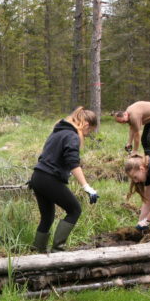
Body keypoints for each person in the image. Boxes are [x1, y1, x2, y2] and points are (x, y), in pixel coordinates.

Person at [29, 107, 99, 253]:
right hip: (49, 179)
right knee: (74, 210)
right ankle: (57, 250)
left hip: (38, 177)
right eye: (89, 132)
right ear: (86, 125)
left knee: (47, 217)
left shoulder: (58, 132)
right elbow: (73, 163)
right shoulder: (72, 136)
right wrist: (87, 187)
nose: (87, 135)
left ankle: (38, 251)